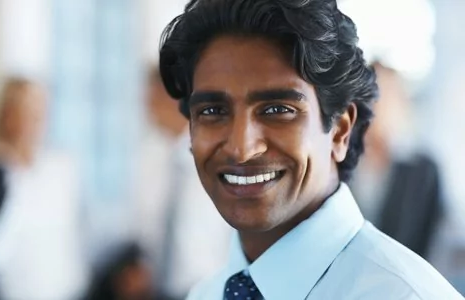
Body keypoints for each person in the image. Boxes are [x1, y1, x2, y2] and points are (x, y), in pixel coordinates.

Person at [158, 0, 464, 299]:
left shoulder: (405, 294)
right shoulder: (207, 293)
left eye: (277, 109)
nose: (241, 149)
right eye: (212, 112)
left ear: (340, 131)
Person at [130, 66, 231, 299]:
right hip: (157, 288)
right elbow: (147, 224)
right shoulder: (150, 154)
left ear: (172, 99)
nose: (145, 106)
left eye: (150, 97)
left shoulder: (218, 156)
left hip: (208, 288)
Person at [0, 77, 88, 300]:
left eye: (40, 109)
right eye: (26, 110)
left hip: (69, 291)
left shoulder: (60, 168)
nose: (36, 119)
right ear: (7, 115)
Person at [351, 62, 443, 259]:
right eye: (370, 97)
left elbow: (431, 238)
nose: (378, 106)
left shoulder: (424, 169)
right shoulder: (341, 159)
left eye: (386, 97)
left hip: (405, 277)